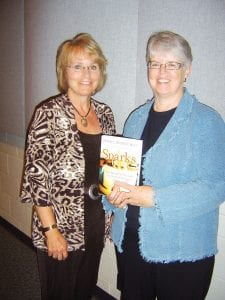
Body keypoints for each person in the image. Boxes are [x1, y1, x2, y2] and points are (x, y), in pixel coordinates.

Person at [103, 31, 225, 300]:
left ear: (187, 70)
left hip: (182, 252)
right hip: (132, 245)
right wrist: (113, 197)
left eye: (173, 64)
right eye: (155, 63)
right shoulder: (135, 119)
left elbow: (217, 186)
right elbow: (123, 174)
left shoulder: (207, 121)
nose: (162, 71)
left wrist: (155, 198)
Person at [21, 33, 116, 300]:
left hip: (95, 222)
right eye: (77, 66)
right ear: (64, 71)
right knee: (59, 294)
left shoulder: (106, 114)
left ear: (101, 72)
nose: (86, 74)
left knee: (84, 291)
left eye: (93, 66)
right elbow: (36, 179)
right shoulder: (48, 113)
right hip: (60, 225)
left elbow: (108, 169)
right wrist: (50, 231)